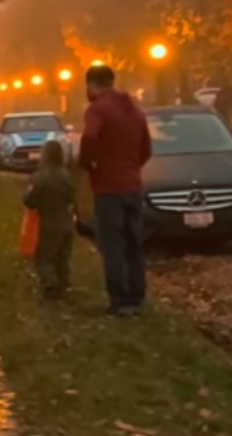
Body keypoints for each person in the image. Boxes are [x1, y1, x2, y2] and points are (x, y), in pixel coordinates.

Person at [78, 64, 152, 316]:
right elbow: (146, 149)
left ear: (92, 85)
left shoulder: (97, 110)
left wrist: (90, 164)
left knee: (112, 245)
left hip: (108, 188)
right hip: (132, 185)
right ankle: (136, 296)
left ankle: (119, 300)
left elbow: (89, 139)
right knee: (134, 244)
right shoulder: (135, 111)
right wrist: (131, 167)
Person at [24, 138, 77, 300]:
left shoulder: (40, 177)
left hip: (48, 222)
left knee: (44, 258)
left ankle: (50, 287)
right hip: (67, 221)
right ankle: (64, 286)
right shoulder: (67, 176)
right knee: (62, 258)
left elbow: (29, 200)